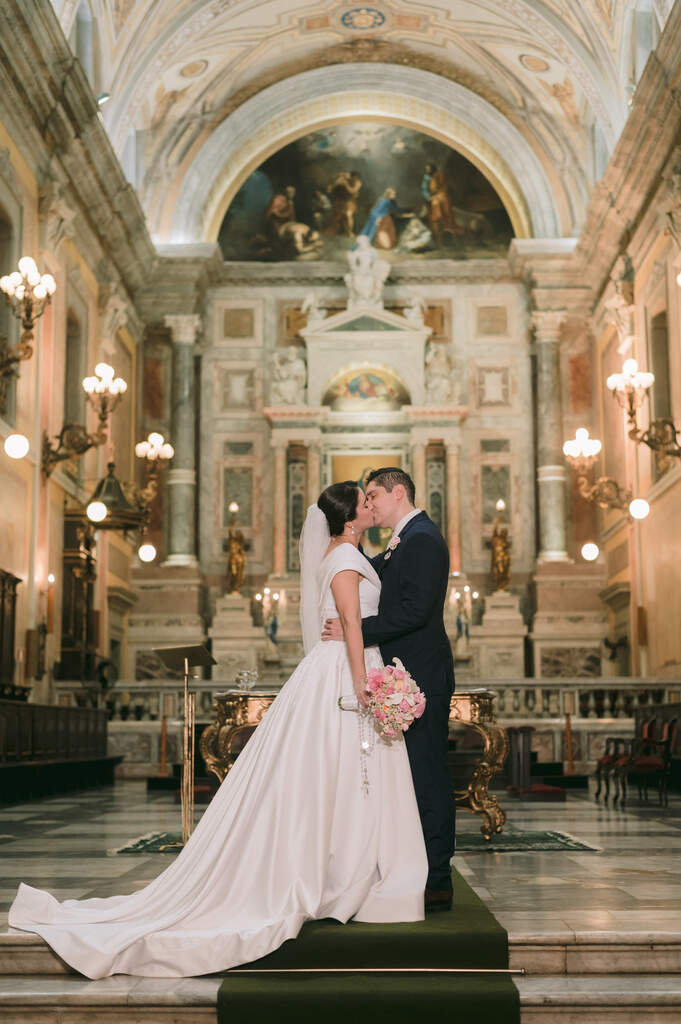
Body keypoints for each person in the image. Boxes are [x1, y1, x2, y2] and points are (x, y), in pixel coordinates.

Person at [8, 483, 427, 978]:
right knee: (343, 772)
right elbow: (353, 625)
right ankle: (343, 874)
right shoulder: (345, 560)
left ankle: (351, 868)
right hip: (345, 673)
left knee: (342, 775)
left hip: (343, 666)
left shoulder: (348, 555)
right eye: (364, 499)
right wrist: (363, 685)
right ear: (351, 518)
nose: (371, 502)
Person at [323, 467, 455, 912]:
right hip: (401, 674)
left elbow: (416, 612)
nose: (371, 503)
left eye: (375, 495)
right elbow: (361, 571)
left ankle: (438, 878)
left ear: (399, 493)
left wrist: (353, 630)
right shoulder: (401, 540)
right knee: (406, 779)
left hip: (422, 674)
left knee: (429, 776)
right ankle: (406, 868)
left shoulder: (423, 540)